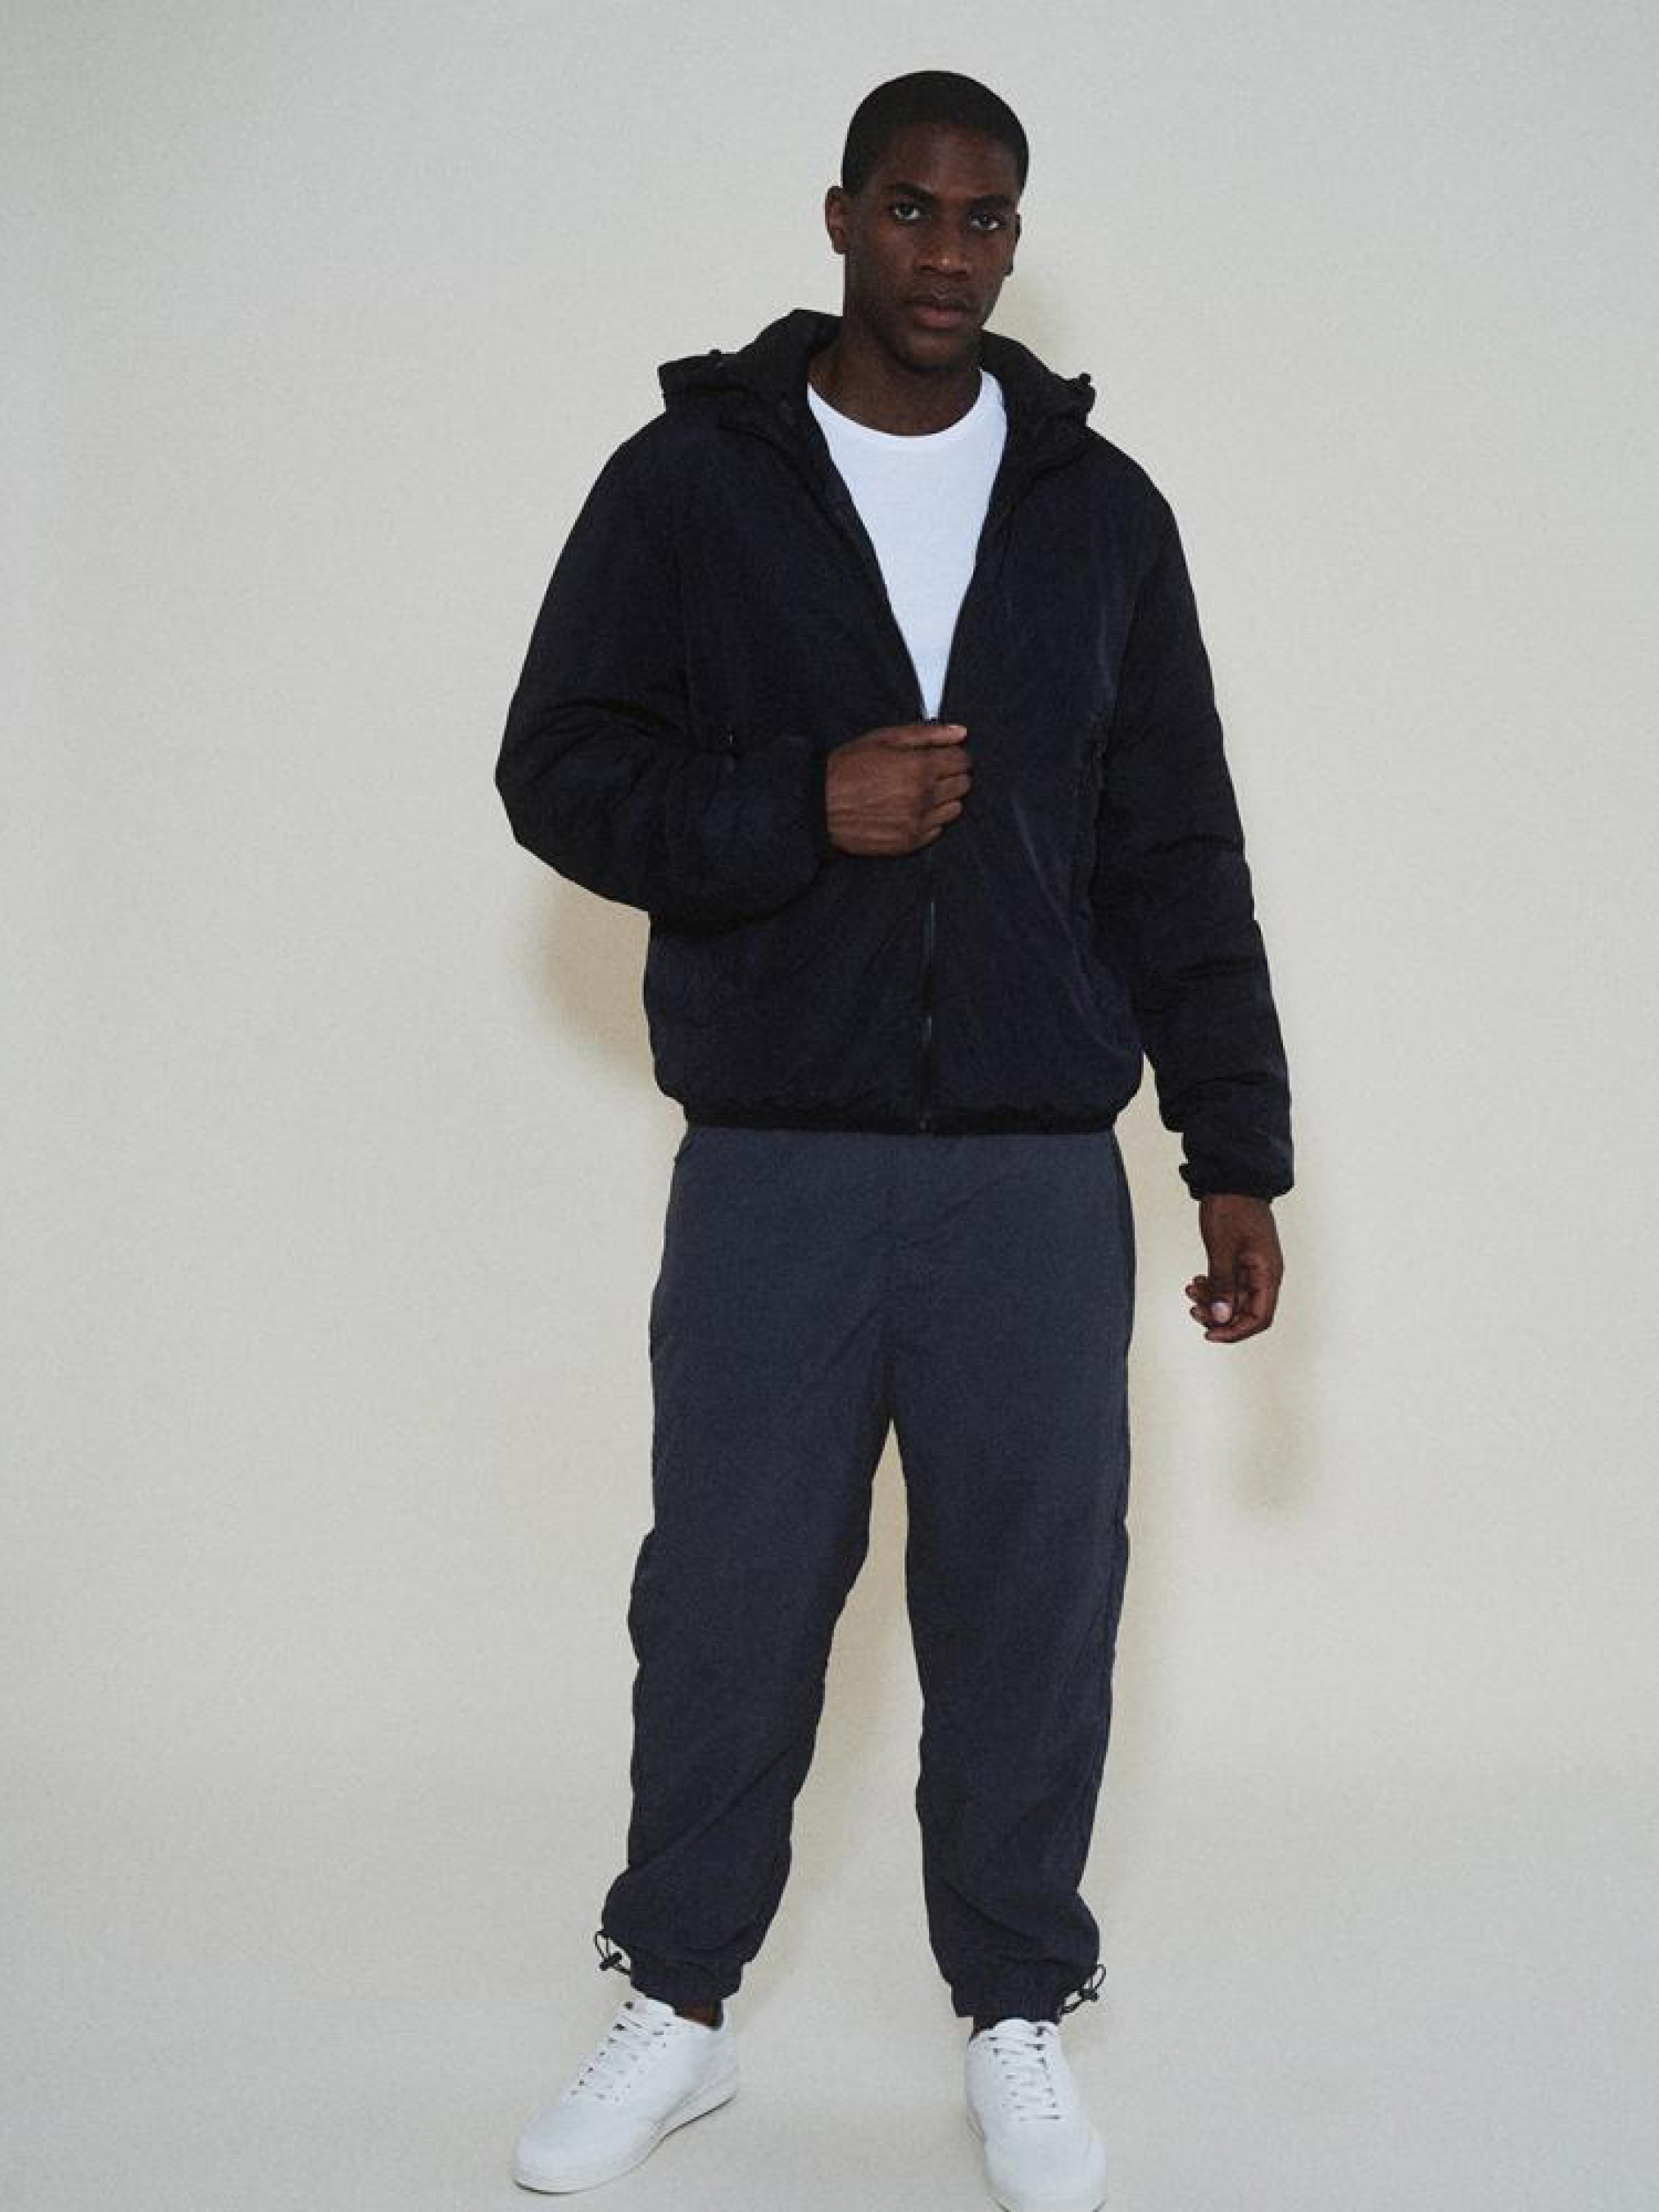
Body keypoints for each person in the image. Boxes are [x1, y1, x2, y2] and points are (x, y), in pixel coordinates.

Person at [494, 66, 1291, 2212]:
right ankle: (677, 2006)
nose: (949, 255)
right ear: (840, 216)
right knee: (731, 1598)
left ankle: (1014, 2010)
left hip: (1032, 1169)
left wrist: (1233, 1147)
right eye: (914, 211)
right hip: (778, 1154)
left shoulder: (1097, 510)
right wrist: (795, 805)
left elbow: (1178, 844)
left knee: (1032, 1600)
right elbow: (556, 767)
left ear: (1014, 241)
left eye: (986, 219)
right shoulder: (694, 484)